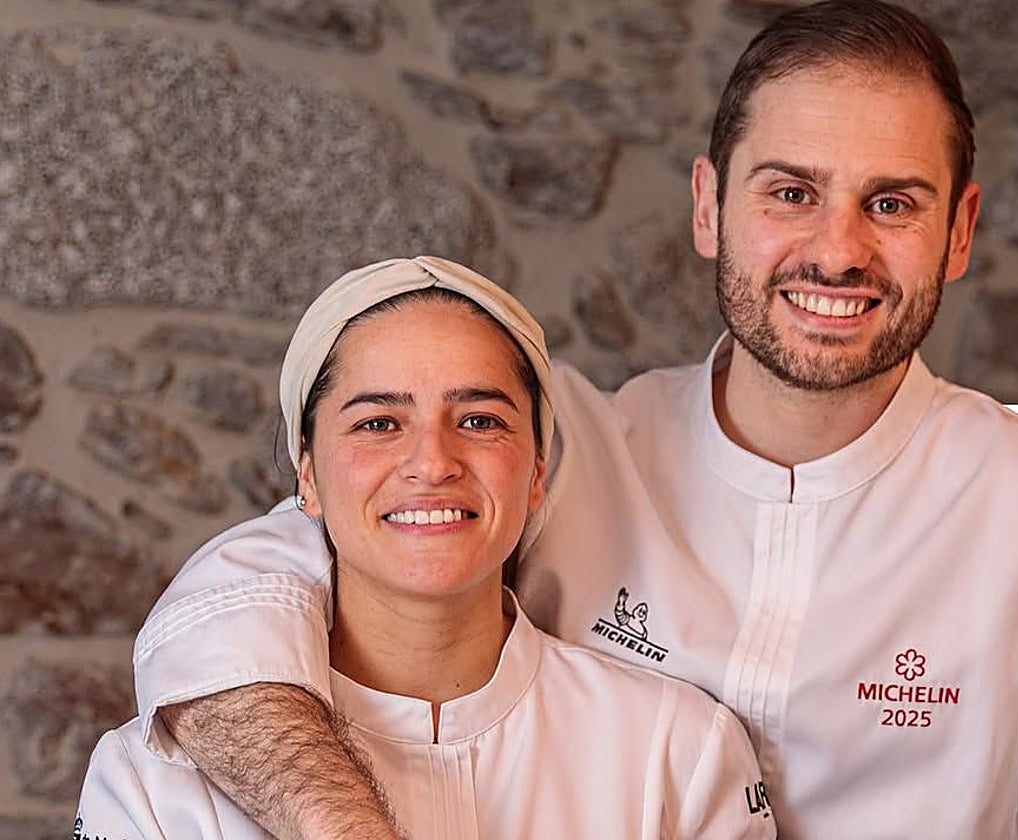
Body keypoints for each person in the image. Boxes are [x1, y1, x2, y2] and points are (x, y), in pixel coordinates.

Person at [118, 0, 1018, 837]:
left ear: (959, 230)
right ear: (706, 205)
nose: (837, 251)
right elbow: (230, 610)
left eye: (892, 202)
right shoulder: (560, 452)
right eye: (789, 192)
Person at [75, 257, 774, 839]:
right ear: (309, 477)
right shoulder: (154, 784)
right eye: (379, 422)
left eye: (479, 419)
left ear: (535, 473)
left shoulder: (678, 751)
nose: (433, 461)